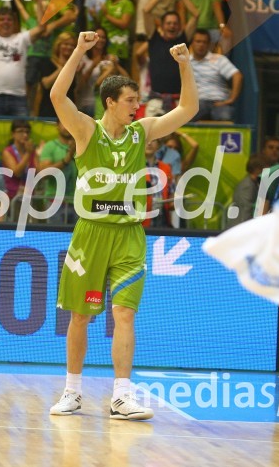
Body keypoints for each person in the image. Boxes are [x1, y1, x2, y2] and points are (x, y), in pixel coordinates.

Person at [48, 32, 198, 420]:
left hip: (130, 234)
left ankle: (121, 396)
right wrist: (79, 50)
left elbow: (187, 110)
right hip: (91, 232)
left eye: (138, 100)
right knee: (81, 316)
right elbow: (56, 97)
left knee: (124, 315)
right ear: (110, 102)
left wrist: (185, 65)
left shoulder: (141, 131)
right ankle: (72, 391)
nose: (138, 106)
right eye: (131, 100)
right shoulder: (86, 130)